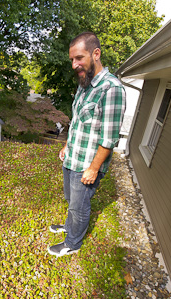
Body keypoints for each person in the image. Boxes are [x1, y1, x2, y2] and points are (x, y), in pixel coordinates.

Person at [48, 32, 126, 257]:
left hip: (86, 165)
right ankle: (69, 227)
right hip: (73, 156)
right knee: (71, 200)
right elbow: (78, 122)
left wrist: (93, 168)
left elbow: (109, 138)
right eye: (72, 59)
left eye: (79, 58)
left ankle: (72, 243)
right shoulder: (85, 84)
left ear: (96, 54)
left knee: (79, 207)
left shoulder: (111, 89)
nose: (74, 64)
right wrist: (66, 146)